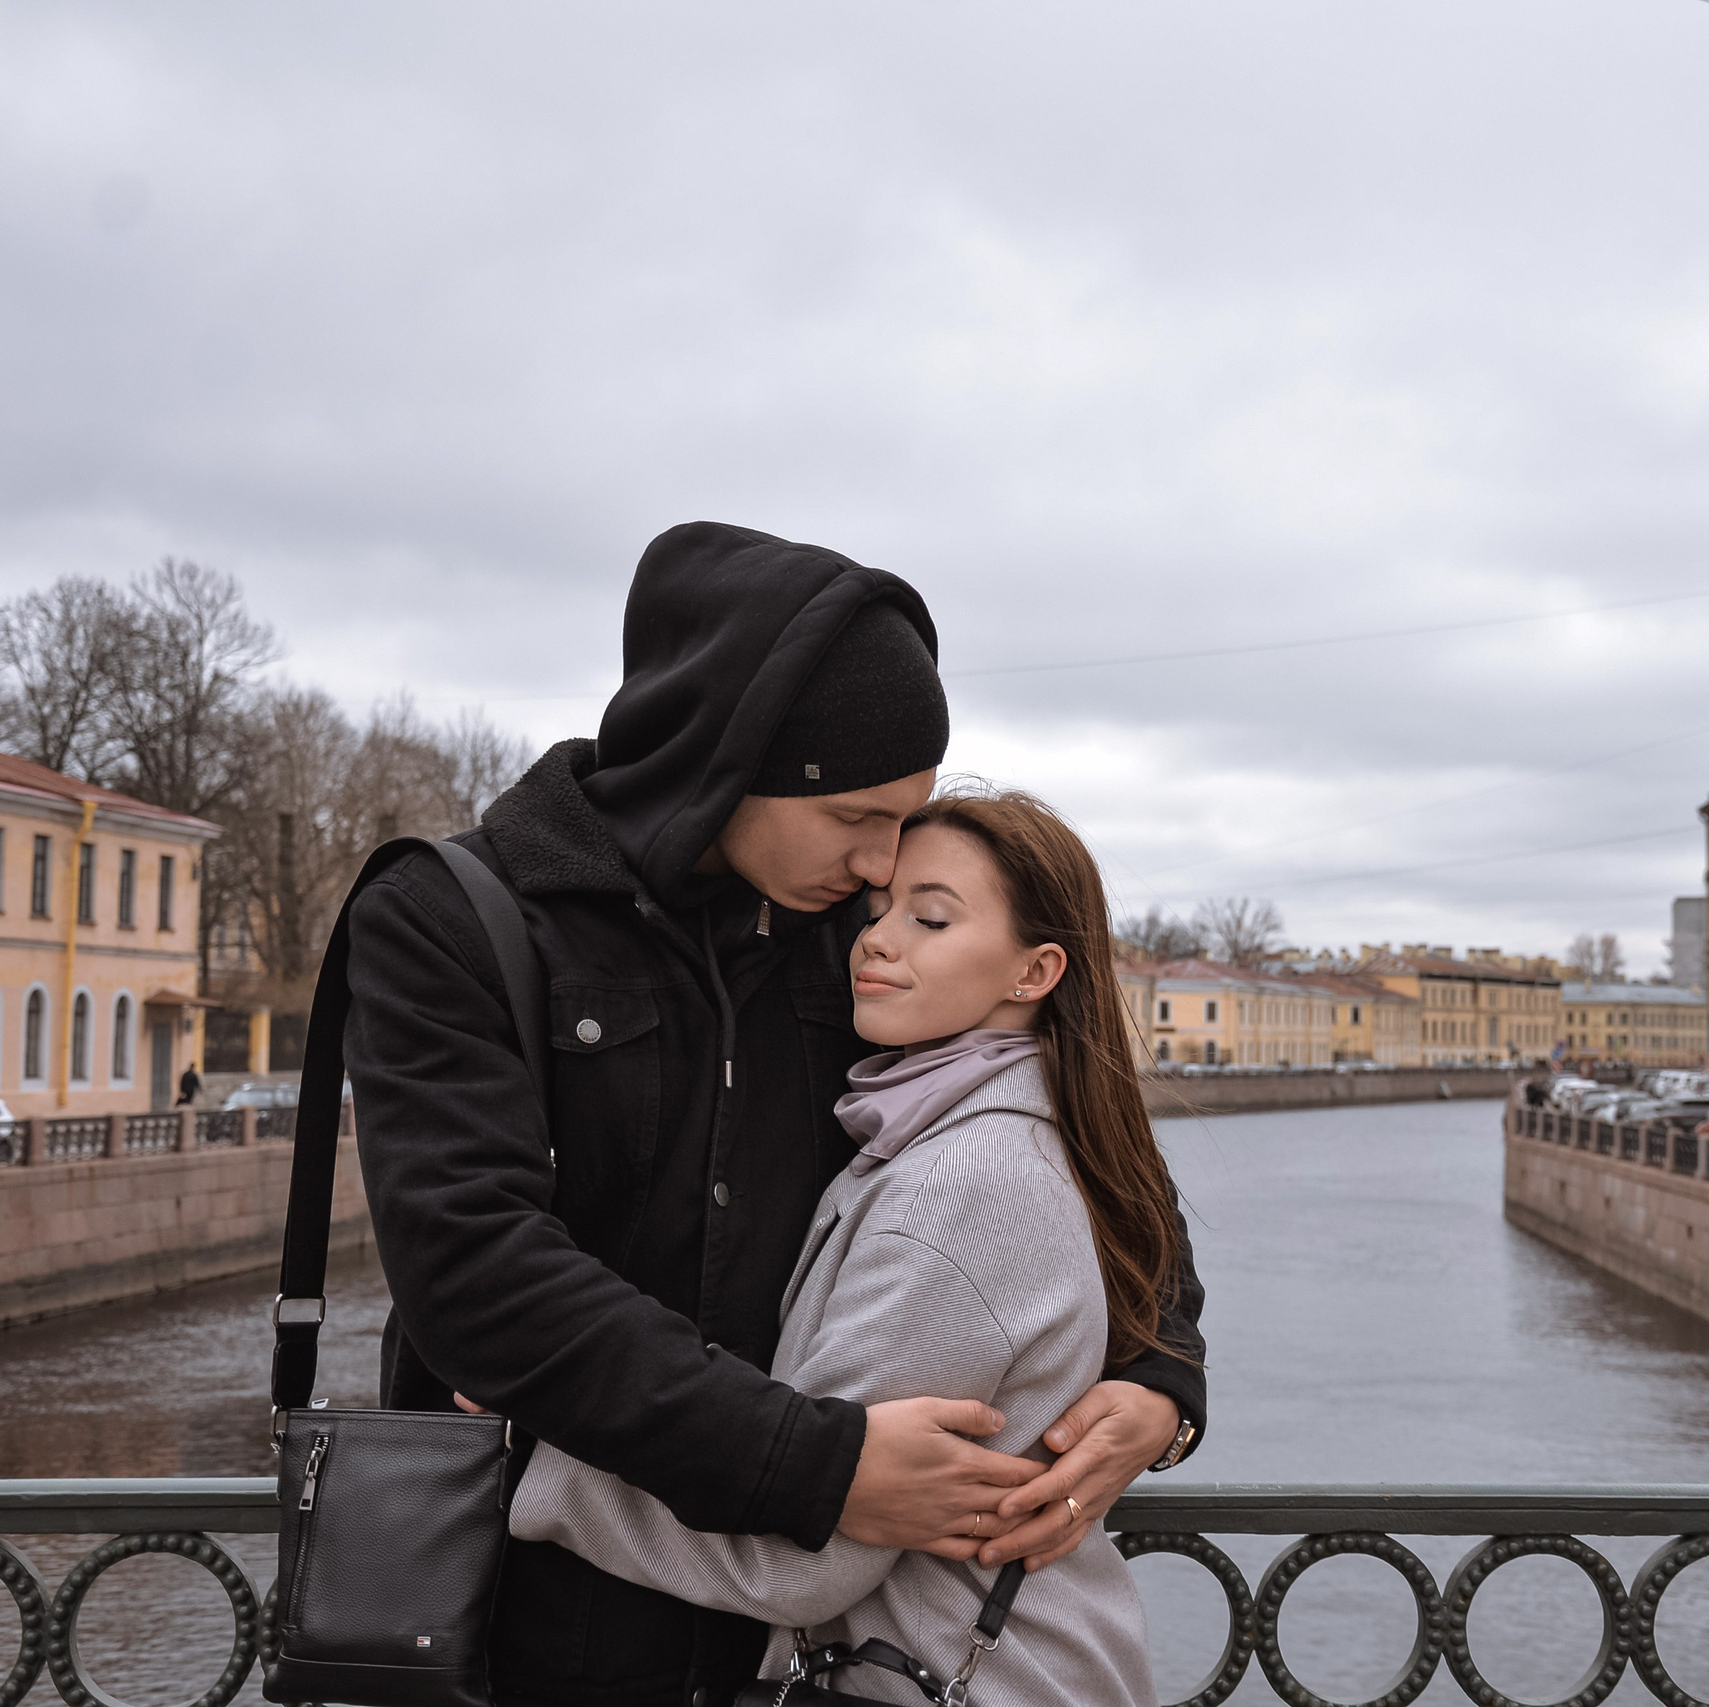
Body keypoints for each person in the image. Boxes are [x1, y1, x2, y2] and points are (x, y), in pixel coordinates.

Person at [342, 523, 1206, 1707]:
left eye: (903, 822)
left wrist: (1162, 1374)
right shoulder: (450, 918)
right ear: (729, 760)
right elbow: (471, 1265)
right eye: (856, 817)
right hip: (513, 1617)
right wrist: (817, 1468)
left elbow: (1085, 1146)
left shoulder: (854, 937)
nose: (879, 862)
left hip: (792, 1652)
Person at [510, 788, 1170, 1705]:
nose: (876, 939)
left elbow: (802, 1559)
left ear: (1035, 971)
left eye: (929, 918)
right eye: (875, 913)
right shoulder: (962, 1131)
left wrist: (538, 1453)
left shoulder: (959, 1186)